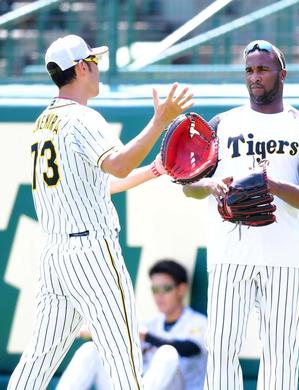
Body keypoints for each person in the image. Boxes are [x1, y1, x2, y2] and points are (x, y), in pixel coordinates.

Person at [8, 34, 193, 390]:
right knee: (124, 361)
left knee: (37, 363)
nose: (98, 69)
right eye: (94, 62)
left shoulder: (44, 122)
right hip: (92, 252)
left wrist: (152, 170)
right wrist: (160, 121)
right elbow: (119, 165)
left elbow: (96, 186)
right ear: (81, 67)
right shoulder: (83, 117)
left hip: (55, 256)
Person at [183, 40, 299, 390]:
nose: (255, 77)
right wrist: (209, 185)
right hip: (228, 253)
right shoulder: (221, 124)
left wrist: (273, 185)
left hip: (282, 255)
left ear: (282, 74)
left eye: (263, 69)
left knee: (280, 353)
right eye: (249, 70)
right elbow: (189, 186)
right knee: (220, 349)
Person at [57, 259, 208, 390]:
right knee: (91, 350)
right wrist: (102, 332)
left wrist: (146, 336)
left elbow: (190, 349)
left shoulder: (198, 322)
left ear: (181, 289)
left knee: (167, 353)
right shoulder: (150, 323)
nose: (159, 295)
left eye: (165, 289)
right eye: (155, 289)